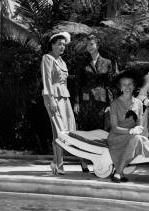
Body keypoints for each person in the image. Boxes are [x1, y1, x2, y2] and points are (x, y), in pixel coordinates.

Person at [106, 72, 149, 183]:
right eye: (124, 84)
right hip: (117, 137)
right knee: (137, 139)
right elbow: (115, 127)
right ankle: (119, 171)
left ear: (134, 85)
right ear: (120, 87)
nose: (127, 87)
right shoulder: (115, 103)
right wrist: (131, 131)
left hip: (132, 137)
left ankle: (118, 171)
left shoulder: (139, 103)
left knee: (137, 139)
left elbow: (139, 125)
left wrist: (138, 129)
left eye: (130, 84)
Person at [41, 31, 76, 175]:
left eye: (64, 45)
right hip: (53, 97)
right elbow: (47, 80)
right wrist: (50, 99)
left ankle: (56, 162)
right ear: (53, 45)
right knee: (58, 130)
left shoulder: (63, 62)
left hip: (64, 98)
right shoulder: (47, 58)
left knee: (65, 131)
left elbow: (65, 83)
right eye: (59, 44)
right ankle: (59, 164)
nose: (62, 47)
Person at [74, 34, 116, 131]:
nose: (89, 47)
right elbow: (78, 82)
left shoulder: (107, 62)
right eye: (87, 45)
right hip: (85, 99)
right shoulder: (82, 62)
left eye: (91, 44)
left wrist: (111, 104)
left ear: (97, 46)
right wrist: (76, 102)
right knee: (84, 128)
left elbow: (109, 85)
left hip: (100, 100)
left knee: (99, 129)